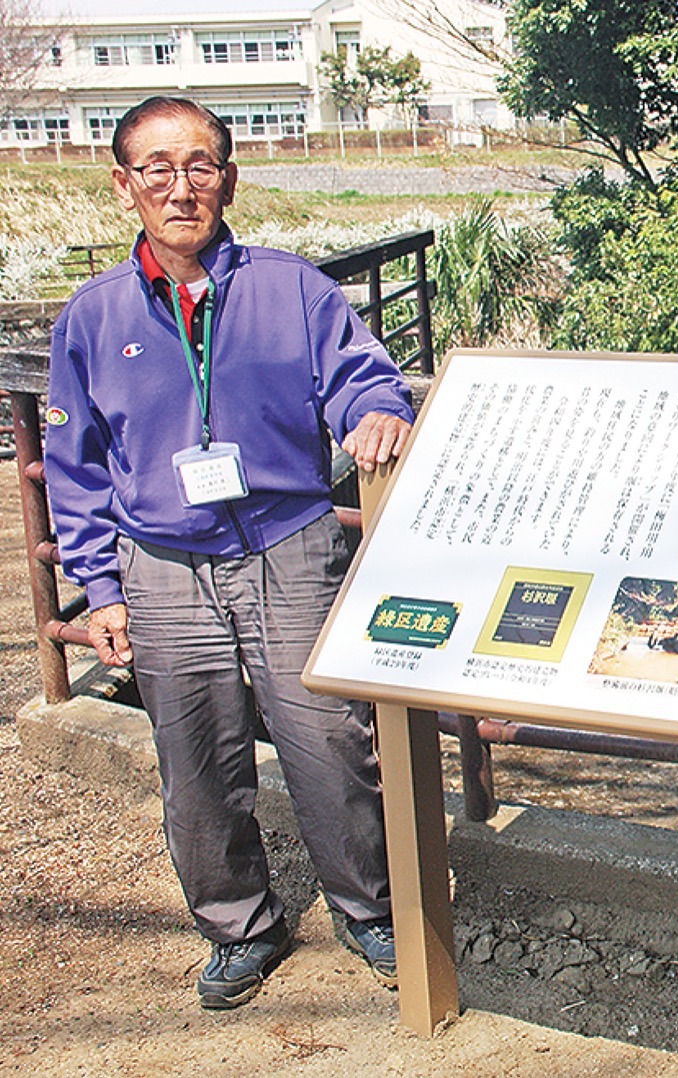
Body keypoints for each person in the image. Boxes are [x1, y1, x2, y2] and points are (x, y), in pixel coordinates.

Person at [43, 97, 414, 1010]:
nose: (181, 188)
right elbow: (75, 467)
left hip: (289, 545)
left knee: (330, 742)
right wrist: (99, 587)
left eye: (200, 166)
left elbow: (362, 376)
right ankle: (239, 925)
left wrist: (375, 412)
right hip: (161, 563)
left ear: (229, 180)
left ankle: (369, 909)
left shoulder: (293, 289)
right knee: (196, 761)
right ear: (124, 185)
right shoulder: (92, 316)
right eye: (158, 170)